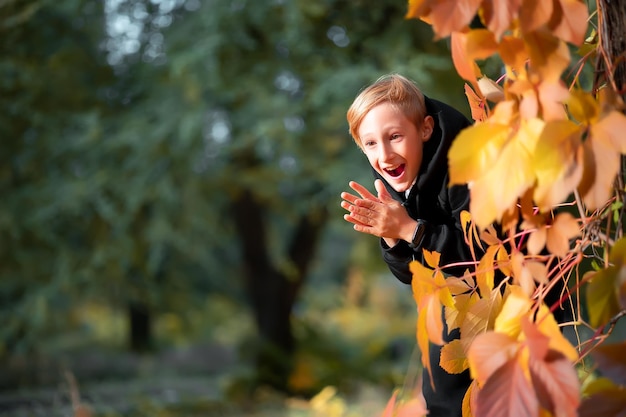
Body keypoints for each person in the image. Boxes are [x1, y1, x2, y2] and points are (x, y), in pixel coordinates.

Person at [340, 73, 474, 417]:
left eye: (395, 136)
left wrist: (411, 230)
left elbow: (480, 257)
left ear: (425, 129)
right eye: (370, 143)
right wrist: (392, 236)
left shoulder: (465, 168)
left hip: (492, 330)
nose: (384, 154)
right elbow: (415, 276)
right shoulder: (405, 178)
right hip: (445, 331)